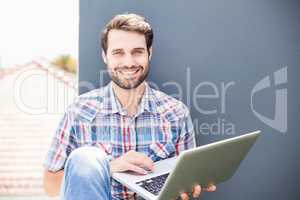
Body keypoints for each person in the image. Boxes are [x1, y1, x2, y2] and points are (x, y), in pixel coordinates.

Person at [43, 13, 216, 200]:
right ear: (105, 56)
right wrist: (106, 169)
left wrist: (187, 186)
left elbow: (183, 180)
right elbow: (50, 184)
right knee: (85, 158)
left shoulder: (176, 113)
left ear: (149, 53)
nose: (128, 62)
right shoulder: (79, 111)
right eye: (118, 53)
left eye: (137, 52)